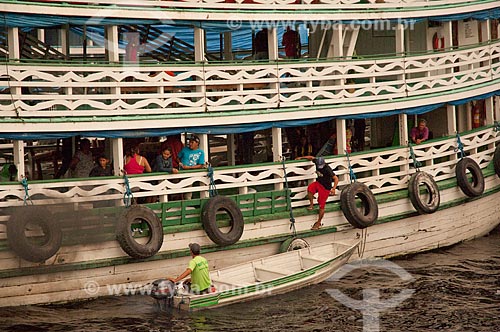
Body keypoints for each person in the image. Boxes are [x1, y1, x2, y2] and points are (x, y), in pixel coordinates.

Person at [296, 156, 339, 230]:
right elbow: (311, 157)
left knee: (321, 205)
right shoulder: (316, 161)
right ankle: (311, 205)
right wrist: (301, 158)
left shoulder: (327, 169)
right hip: (318, 183)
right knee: (310, 189)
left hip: (325, 187)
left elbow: (336, 178)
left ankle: (319, 222)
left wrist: (334, 188)